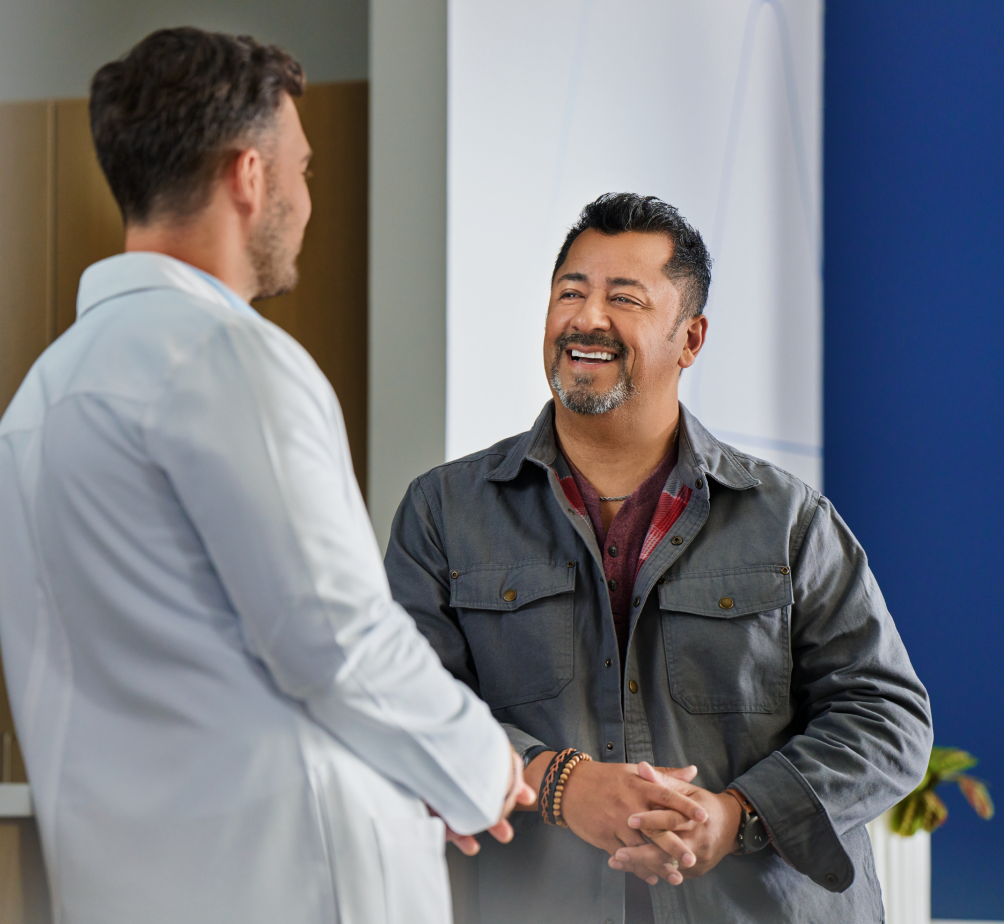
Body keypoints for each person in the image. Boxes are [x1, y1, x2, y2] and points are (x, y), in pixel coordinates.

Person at [0, 28, 532, 924]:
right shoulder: (224, 360)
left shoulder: (30, 417)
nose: (308, 200)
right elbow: (335, 640)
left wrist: (420, 770)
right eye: (302, 170)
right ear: (249, 176)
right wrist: (483, 766)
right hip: (294, 889)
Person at [384, 193, 933, 923]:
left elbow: (887, 715)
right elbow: (400, 704)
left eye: (624, 298)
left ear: (691, 338)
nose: (586, 319)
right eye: (570, 293)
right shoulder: (443, 514)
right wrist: (557, 782)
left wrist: (736, 815)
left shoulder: (788, 519)